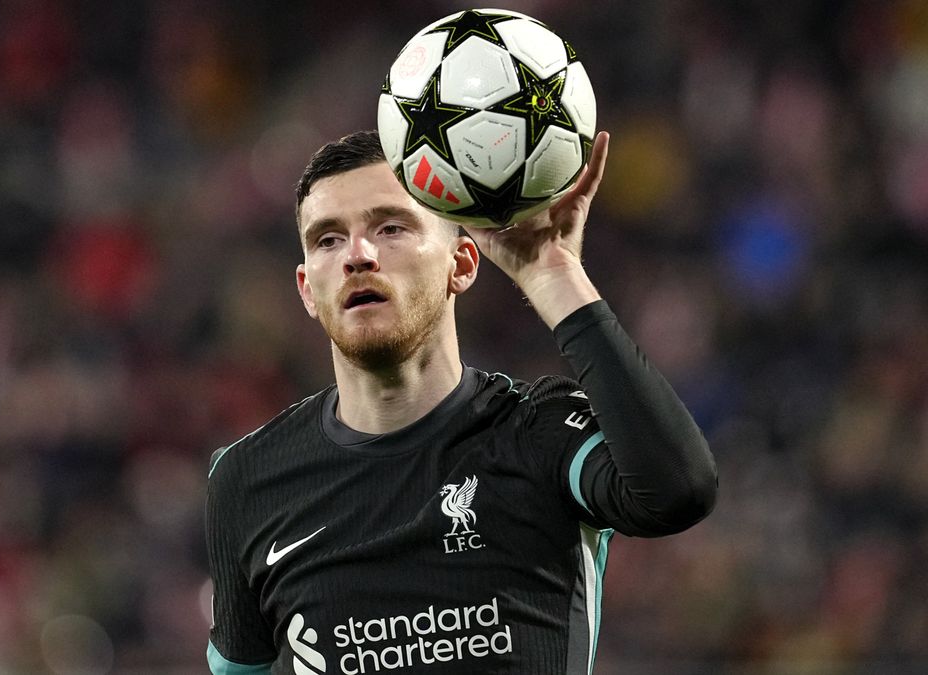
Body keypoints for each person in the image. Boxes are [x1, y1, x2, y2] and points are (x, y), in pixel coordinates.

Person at [205, 129, 717, 674]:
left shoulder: (535, 433)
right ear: (308, 289)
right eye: (328, 239)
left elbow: (678, 491)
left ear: (462, 264)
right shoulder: (248, 478)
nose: (358, 254)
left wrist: (556, 275)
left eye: (391, 227)